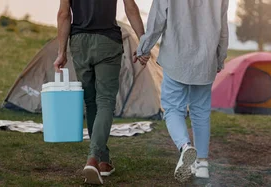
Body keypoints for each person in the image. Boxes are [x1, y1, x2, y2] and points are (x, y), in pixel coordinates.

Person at [53, 0, 149, 184]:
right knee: (105, 101)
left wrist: (61, 52)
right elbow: (130, 7)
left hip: (80, 42)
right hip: (107, 41)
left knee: (91, 103)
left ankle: (103, 161)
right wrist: (143, 40)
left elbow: (64, 14)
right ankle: (94, 158)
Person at [135, 0, 229, 182]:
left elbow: (156, 21)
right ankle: (202, 164)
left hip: (176, 56)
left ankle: (185, 147)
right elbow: (223, 27)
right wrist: (219, 58)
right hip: (205, 58)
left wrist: (144, 49)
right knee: (201, 112)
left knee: (172, 108)